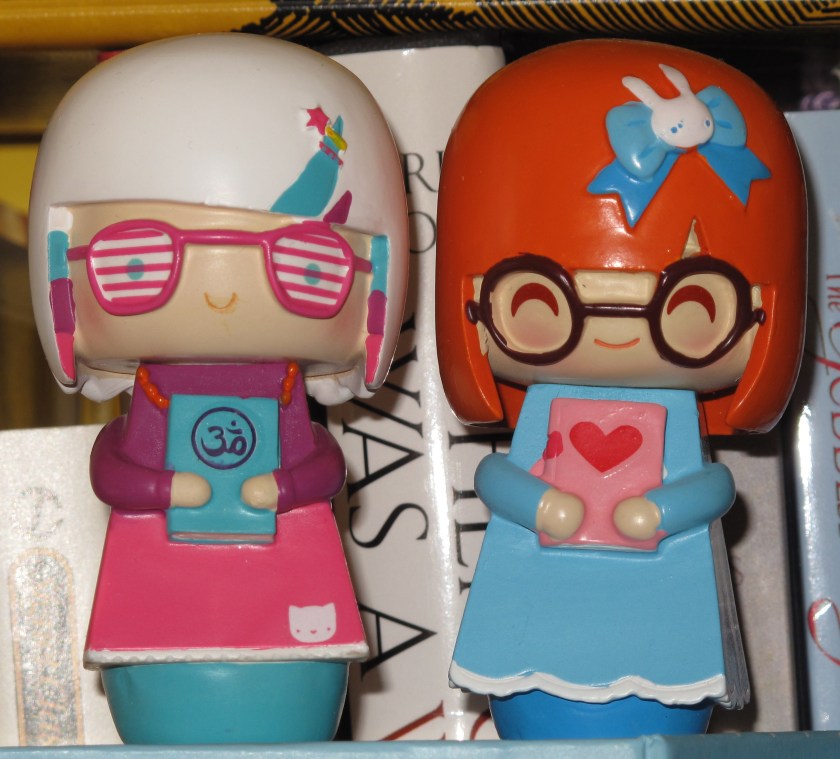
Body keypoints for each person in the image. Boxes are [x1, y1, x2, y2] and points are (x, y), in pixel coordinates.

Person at [29, 33, 407, 744]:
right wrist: (162, 488)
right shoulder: (153, 396)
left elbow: (324, 463)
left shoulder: (287, 391)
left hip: (292, 590)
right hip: (156, 592)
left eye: (305, 266)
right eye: (139, 262)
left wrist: (284, 487)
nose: (222, 294)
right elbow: (111, 466)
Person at [436, 39, 805, 739]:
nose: (614, 327)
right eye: (542, 297)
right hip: (535, 611)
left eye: (690, 304)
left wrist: (662, 510)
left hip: (660, 617)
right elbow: (494, 477)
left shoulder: (678, 415)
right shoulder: (540, 406)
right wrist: (538, 501)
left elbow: (715, 487)